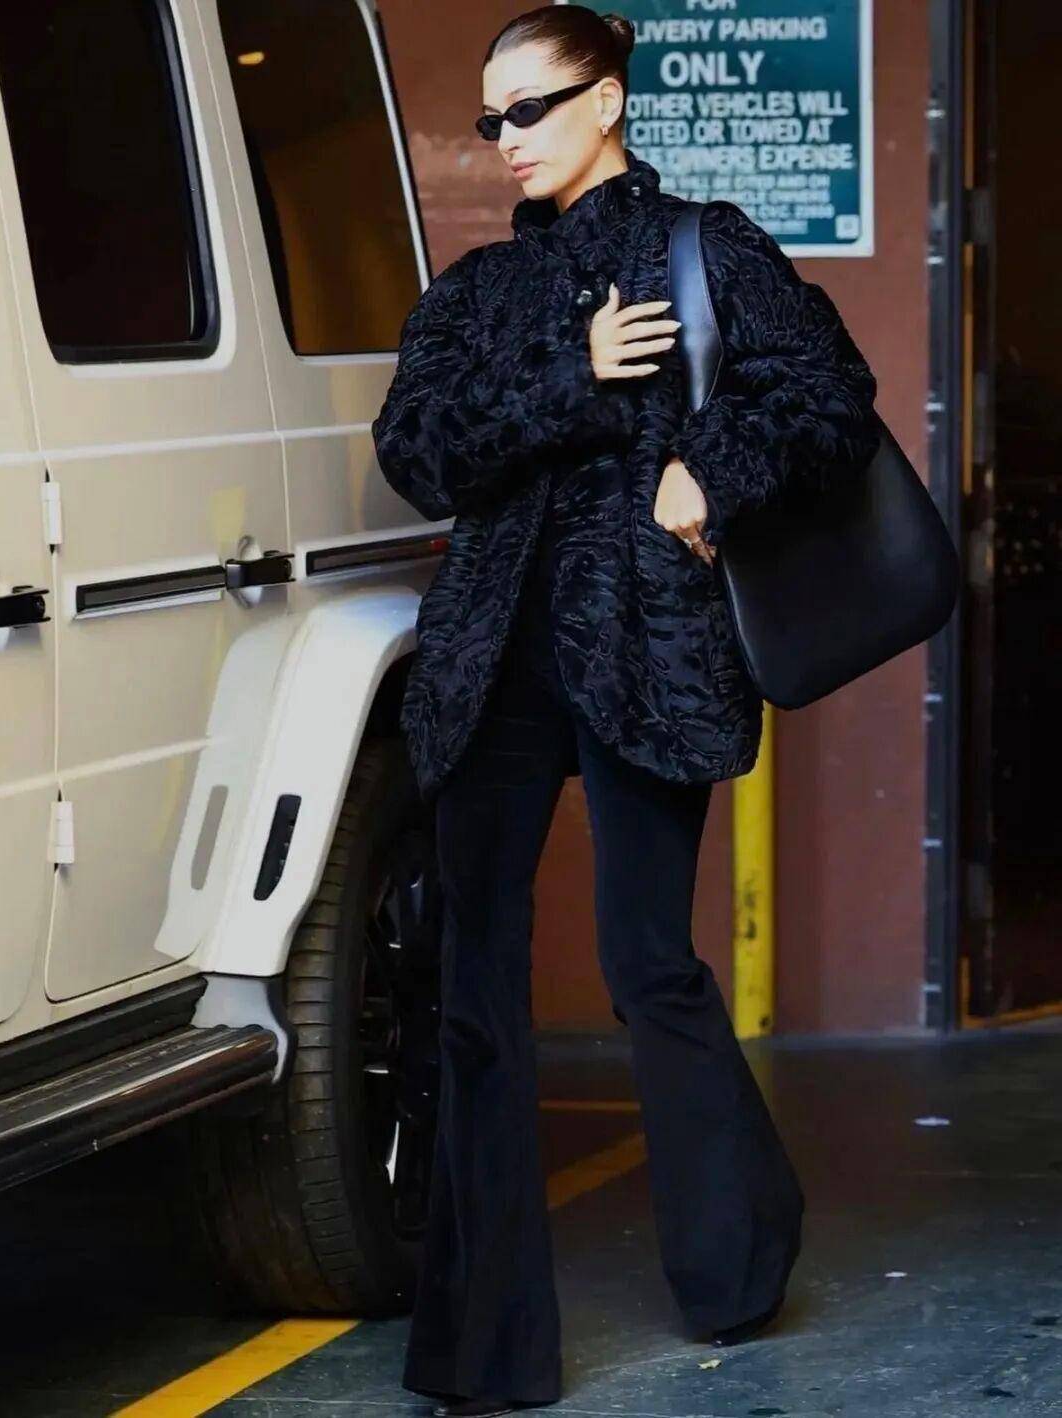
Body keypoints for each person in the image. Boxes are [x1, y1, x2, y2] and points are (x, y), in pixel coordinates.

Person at [371, 8, 881, 1415]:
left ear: (606, 101)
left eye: (530, 109)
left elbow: (829, 398)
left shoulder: (704, 249)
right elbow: (417, 451)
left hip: (646, 647)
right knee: (473, 977)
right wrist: (571, 376)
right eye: (491, 119)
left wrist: (711, 470)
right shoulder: (476, 293)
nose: (507, 140)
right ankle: (483, 1345)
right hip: (491, 659)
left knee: (647, 960)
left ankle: (738, 1256)